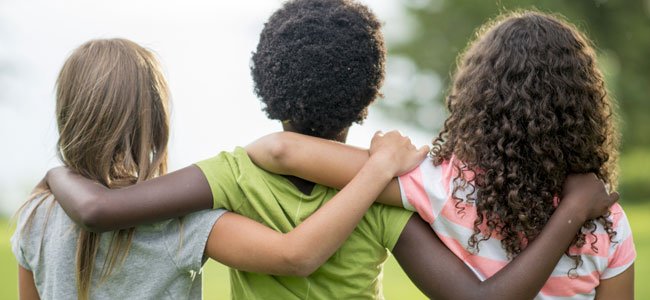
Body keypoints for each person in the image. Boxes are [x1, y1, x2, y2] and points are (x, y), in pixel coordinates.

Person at [43, 3, 617, 300]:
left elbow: (105, 209)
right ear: (370, 95)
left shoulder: (234, 176)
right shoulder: (388, 198)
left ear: (266, 83)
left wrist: (56, 171)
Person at [245, 10, 636, 299]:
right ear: (583, 111)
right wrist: (575, 211)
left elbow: (282, 149)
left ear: (477, 102)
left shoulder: (441, 184)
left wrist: (383, 161)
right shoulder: (608, 223)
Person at [10, 38, 429, 299]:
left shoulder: (33, 217)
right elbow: (295, 255)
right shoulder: (181, 224)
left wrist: (54, 174)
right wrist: (378, 168)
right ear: (156, 120)